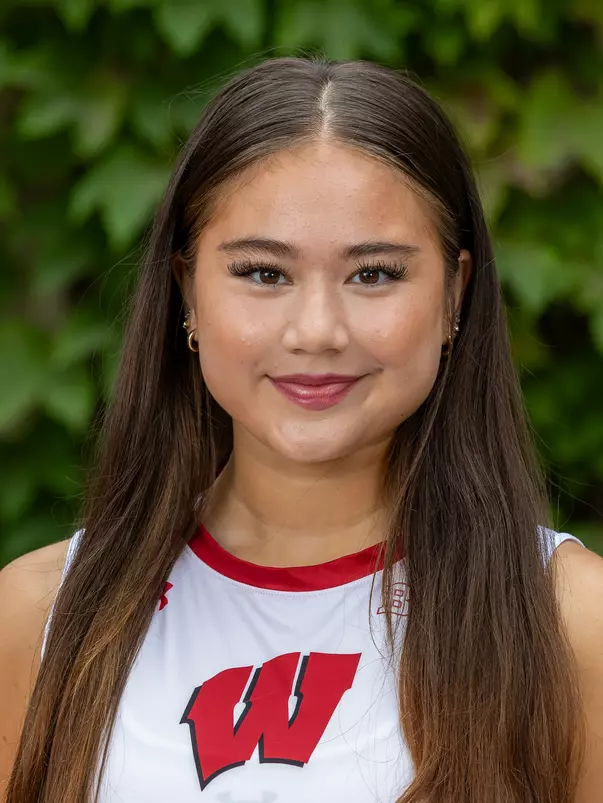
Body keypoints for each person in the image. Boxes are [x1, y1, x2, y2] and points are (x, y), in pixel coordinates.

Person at [1, 55, 602, 803]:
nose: (316, 330)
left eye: (374, 273)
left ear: (455, 292)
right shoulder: (39, 615)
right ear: (187, 291)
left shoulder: (570, 623)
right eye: (262, 272)